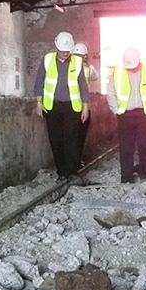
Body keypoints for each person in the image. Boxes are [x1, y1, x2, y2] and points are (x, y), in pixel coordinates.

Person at [33, 32, 90, 182]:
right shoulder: (47, 60)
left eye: (68, 51)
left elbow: (83, 86)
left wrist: (85, 106)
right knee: (56, 140)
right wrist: (39, 102)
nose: (65, 53)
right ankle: (62, 172)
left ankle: (73, 172)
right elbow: (39, 82)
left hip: (72, 107)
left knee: (71, 139)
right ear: (57, 47)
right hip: (52, 107)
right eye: (63, 50)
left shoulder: (77, 62)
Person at [106, 47, 146, 183]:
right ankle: (126, 177)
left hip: (145, 115)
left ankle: (144, 174)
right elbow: (111, 92)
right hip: (125, 115)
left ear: (139, 59)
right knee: (126, 147)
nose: (131, 69)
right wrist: (116, 110)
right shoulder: (118, 71)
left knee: (144, 144)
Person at [72, 42, 98, 168]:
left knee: (78, 136)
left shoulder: (85, 69)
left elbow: (95, 76)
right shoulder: (71, 68)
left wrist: (89, 64)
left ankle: (76, 160)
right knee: (76, 137)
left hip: (81, 107)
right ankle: (74, 161)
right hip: (75, 108)